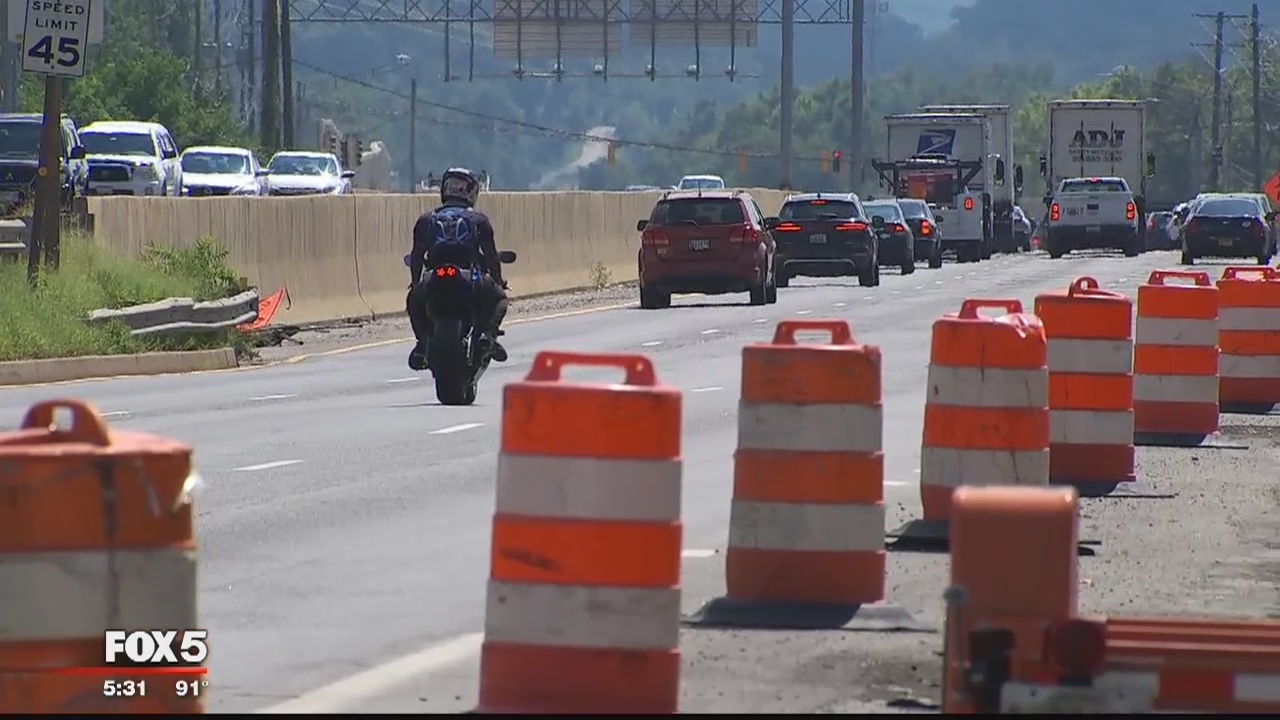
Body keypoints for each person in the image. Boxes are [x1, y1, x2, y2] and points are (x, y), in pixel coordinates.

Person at [405, 167, 508, 371]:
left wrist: (416, 283)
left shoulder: (426, 220)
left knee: (412, 299)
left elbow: (416, 257)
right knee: (500, 299)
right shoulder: (479, 220)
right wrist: (499, 281)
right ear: (471, 193)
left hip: (434, 277)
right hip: (469, 276)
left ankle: (423, 341)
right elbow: (491, 256)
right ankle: (488, 336)